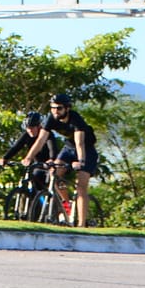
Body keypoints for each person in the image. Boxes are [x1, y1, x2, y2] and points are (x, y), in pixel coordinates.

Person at [28, 93, 99, 227]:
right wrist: (28, 157)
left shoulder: (75, 119)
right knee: (53, 174)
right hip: (68, 148)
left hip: (86, 150)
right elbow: (40, 140)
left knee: (81, 186)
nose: (55, 111)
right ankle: (68, 204)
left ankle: (82, 224)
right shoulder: (51, 118)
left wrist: (81, 162)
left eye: (59, 108)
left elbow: (80, 143)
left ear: (67, 108)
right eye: (53, 108)